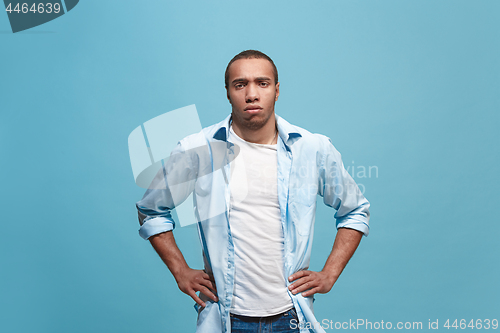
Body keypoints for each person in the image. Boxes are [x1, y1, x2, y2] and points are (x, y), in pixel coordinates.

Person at [136, 50, 370, 333]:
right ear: (227, 92)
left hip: (292, 317)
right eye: (240, 84)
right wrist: (181, 271)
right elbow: (151, 210)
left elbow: (355, 210)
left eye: (262, 83)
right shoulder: (198, 150)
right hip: (226, 320)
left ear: (277, 90)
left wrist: (330, 273)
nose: (251, 94)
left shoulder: (312, 148)